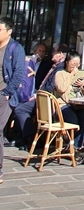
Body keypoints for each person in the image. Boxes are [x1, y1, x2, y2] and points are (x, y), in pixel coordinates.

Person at [13, 44, 67, 150]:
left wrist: (37, 95)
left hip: (46, 100)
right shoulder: (55, 66)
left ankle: (31, 137)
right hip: (41, 95)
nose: (52, 54)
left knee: (20, 109)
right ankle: (23, 137)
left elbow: (51, 87)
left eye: (54, 52)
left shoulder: (60, 68)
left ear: (60, 54)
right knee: (19, 104)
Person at [0, 17, 26, 185]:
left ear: (9, 31)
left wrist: (7, 92)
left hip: (3, 95)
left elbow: (18, 74)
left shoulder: (15, 49)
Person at [53, 50, 84, 150]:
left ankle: (73, 146)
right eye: (73, 64)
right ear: (67, 62)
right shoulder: (60, 74)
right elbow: (61, 89)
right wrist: (71, 76)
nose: (75, 67)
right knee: (74, 121)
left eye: (77, 64)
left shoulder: (82, 74)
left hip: (79, 105)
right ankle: (70, 144)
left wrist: (83, 85)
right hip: (63, 105)